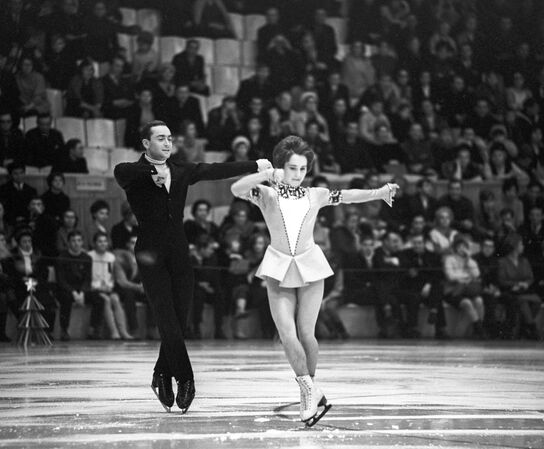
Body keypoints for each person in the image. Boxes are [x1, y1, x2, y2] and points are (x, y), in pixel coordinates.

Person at [230, 135, 398, 426]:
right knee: (287, 334)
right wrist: (267, 174)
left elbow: (348, 195)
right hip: (279, 267)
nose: (297, 175)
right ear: (282, 167)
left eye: (302, 169)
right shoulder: (266, 194)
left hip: (309, 266)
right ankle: (309, 388)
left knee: (307, 333)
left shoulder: (315, 194)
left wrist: (379, 192)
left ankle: (309, 390)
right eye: (292, 168)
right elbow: (236, 188)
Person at [114, 120, 271, 414]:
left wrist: (255, 164)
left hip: (179, 252)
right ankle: (185, 378)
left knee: (179, 317)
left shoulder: (181, 170)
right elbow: (124, 172)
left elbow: (214, 170)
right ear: (146, 143)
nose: (167, 143)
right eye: (160, 138)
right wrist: (152, 171)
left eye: (170, 138)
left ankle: (161, 372)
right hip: (150, 254)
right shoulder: (130, 172)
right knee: (165, 314)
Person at [56, 230, 103, 342]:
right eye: (73, 241)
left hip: (82, 290)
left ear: (82, 242)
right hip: (66, 289)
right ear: (68, 243)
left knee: (99, 299)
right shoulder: (61, 258)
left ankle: (93, 329)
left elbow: (88, 279)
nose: (76, 243)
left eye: (79, 240)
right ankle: (64, 330)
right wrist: (73, 292)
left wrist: (82, 292)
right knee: (65, 299)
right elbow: (61, 280)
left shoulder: (87, 258)